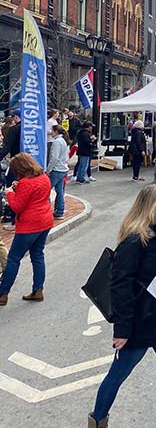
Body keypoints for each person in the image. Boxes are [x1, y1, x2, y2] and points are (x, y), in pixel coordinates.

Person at [80, 184, 156, 428]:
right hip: (138, 324)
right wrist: (122, 328)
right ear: (148, 208)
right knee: (117, 376)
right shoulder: (134, 241)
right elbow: (121, 287)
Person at [0, 153, 54, 305]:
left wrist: (10, 193)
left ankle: (3, 293)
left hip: (29, 225)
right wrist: (19, 189)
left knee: (13, 259)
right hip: (45, 221)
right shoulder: (43, 177)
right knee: (37, 255)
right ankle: (38, 290)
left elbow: (17, 207)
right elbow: (34, 196)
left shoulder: (26, 183)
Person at [47, 125, 70, 218]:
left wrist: (48, 170)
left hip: (56, 169)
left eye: (52, 131)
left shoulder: (56, 142)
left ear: (56, 131)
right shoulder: (63, 141)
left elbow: (54, 158)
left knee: (46, 190)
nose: (51, 132)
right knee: (60, 191)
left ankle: (46, 211)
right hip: (63, 169)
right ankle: (59, 211)